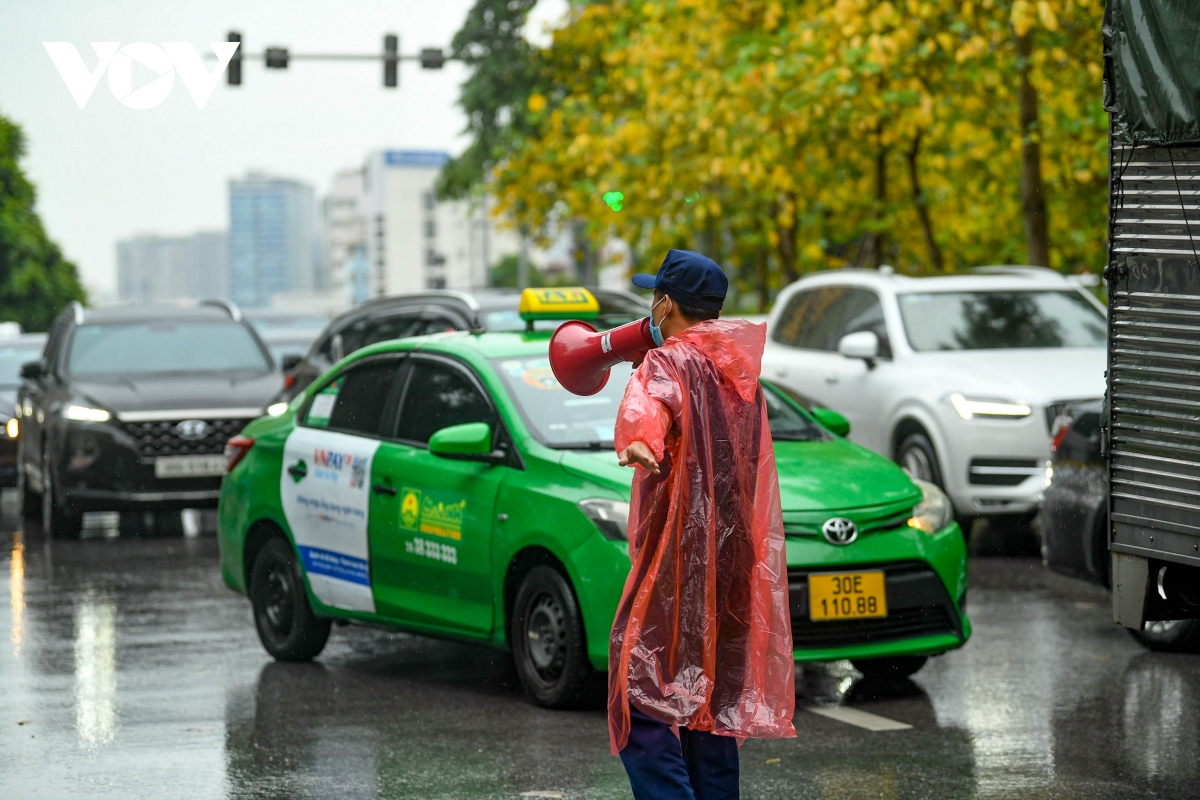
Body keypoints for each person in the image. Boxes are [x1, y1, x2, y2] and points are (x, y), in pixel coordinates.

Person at [610, 249, 795, 800]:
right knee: (707, 704)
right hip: (733, 563)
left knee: (638, 696)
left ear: (665, 304)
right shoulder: (738, 373)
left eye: (654, 298)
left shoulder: (668, 363)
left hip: (677, 561)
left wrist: (639, 437)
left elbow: (649, 401)